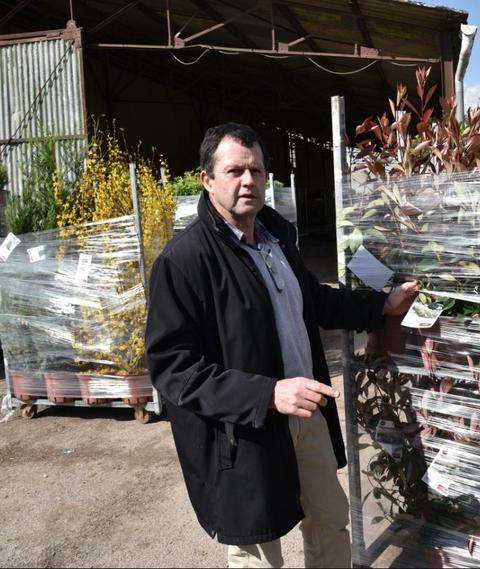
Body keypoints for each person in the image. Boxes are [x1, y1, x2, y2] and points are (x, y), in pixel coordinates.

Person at [145, 122, 416, 568]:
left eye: (256, 170)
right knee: (258, 551)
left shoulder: (276, 241)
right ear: (207, 180)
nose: (248, 181)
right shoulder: (186, 261)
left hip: (305, 414)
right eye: (234, 171)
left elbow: (316, 302)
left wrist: (382, 304)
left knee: (330, 522)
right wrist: (268, 393)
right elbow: (173, 369)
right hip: (244, 430)